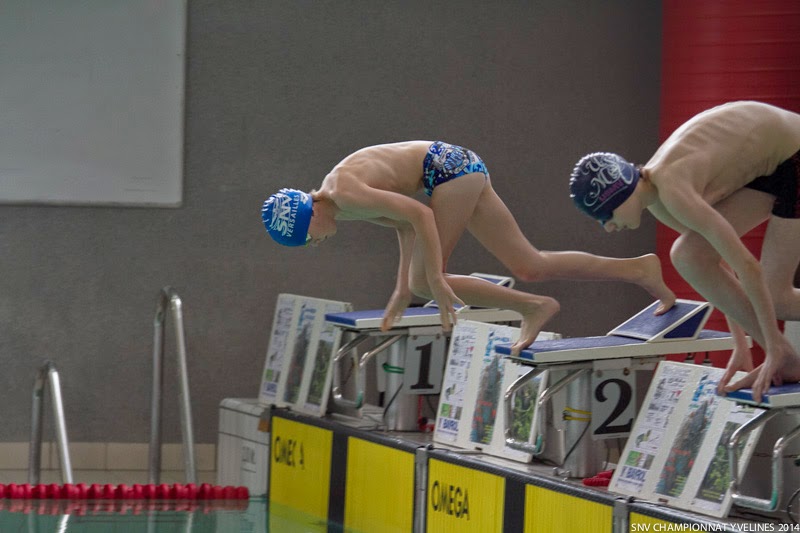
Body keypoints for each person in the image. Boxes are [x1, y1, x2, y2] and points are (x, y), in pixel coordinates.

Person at [262, 141, 675, 356]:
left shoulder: (345, 194)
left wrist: (434, 279)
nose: (313, 244)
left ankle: (532, 307)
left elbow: (420, 215)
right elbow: (405, 226)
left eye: (307, 238)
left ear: (308, 216)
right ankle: (638, 269)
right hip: (457, 168)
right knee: (530, 264)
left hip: (448, 172)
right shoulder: (342, 204)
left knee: (426, 281)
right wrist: (402, 289)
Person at [569, 100, 800, 402]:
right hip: (775, 166)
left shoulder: (672, 187)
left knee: (776, 298)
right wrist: (742, 342)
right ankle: (787, 358)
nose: (608, 228)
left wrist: (770, 347)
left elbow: (747, 265)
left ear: (619, 195)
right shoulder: (658, 199)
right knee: (691, 255)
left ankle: (781, 353)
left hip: (794, 156)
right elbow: (717, 262)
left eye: (605, 216)